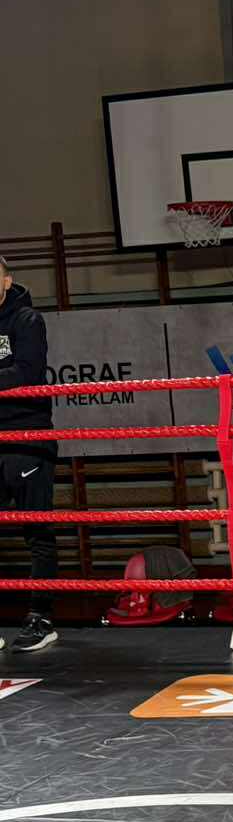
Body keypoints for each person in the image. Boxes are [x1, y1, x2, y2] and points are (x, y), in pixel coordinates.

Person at [0, 256, 58, 652]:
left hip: (26, 436)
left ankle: (41, 616)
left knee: (37, 530)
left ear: (7, 280)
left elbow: (27, 372)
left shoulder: (27, 320)